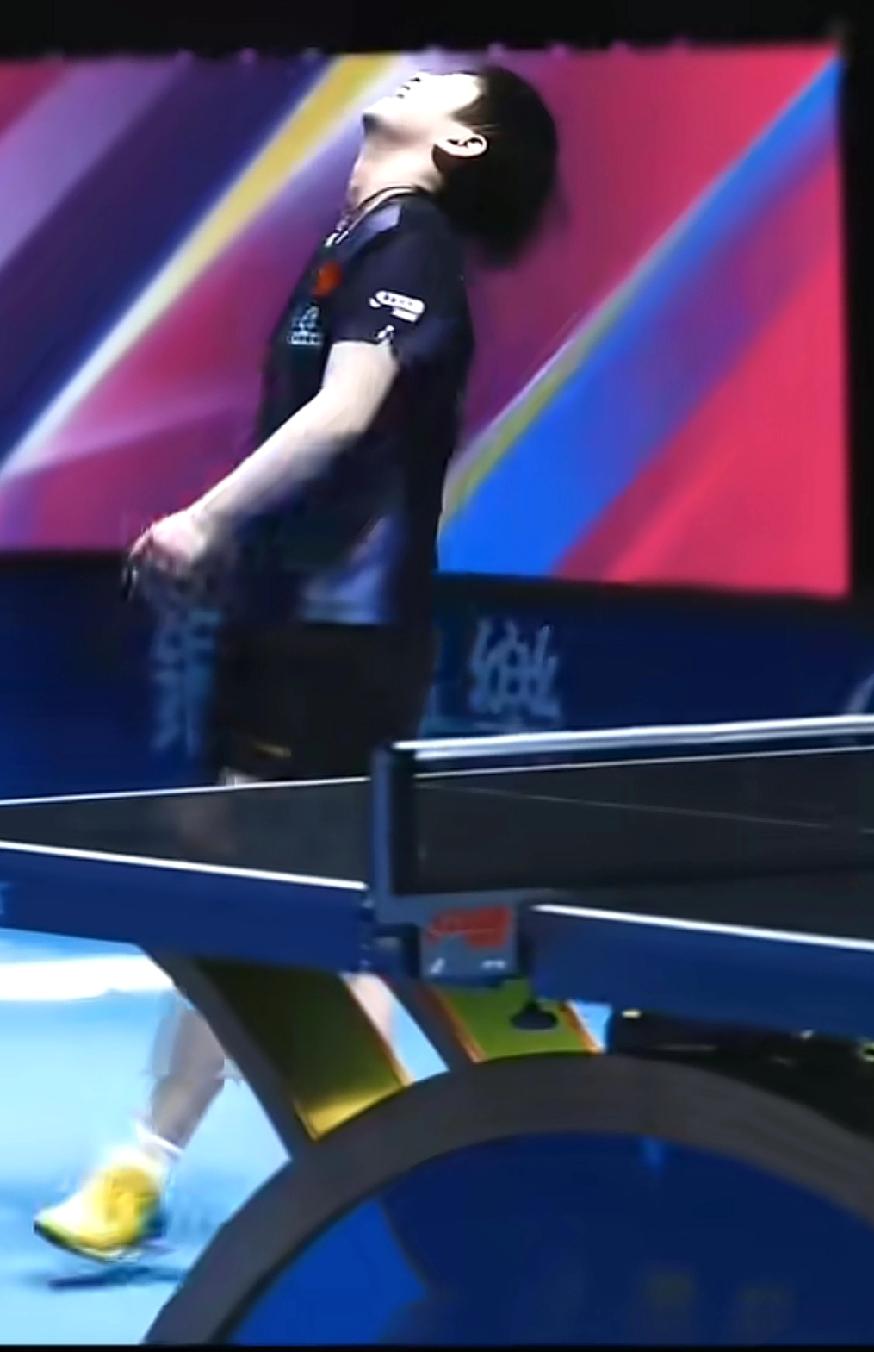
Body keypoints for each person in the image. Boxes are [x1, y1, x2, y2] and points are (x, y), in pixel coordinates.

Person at [33, 64, 558, 1261]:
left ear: (461, 145)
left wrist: (206, 519)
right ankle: (366, 1174)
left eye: (445, 81)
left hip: (337, 634)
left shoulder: (407, 244)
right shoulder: (360, 237)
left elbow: (339, 412)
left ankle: (155, 1159)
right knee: (311, 902)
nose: (414, 67)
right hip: (307, 618)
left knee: (259, 894)